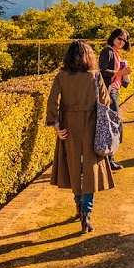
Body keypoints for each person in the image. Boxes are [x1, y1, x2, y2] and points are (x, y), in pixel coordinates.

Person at [45, 40, 114, 233]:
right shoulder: (94, 76)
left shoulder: (61, 76)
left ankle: (78, 207)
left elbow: (52, 101)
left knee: (74, 166)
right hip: (90, 125)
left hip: (69, 125)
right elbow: (105, 101)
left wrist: (56, 125)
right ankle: (86, 213)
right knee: (90, 169)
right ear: (89, 56)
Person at [99, 29, 132, 170]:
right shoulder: (107, 51)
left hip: (114, 91)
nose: (122, 42)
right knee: (112, 125)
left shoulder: (115, 53)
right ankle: (110, 160)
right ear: (113, 37)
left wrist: (123, 77)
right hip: (108, 92)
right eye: (120, 38)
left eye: (124, 40)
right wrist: (119, 73)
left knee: (112, 124)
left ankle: (110, 159)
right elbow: (102, 70)